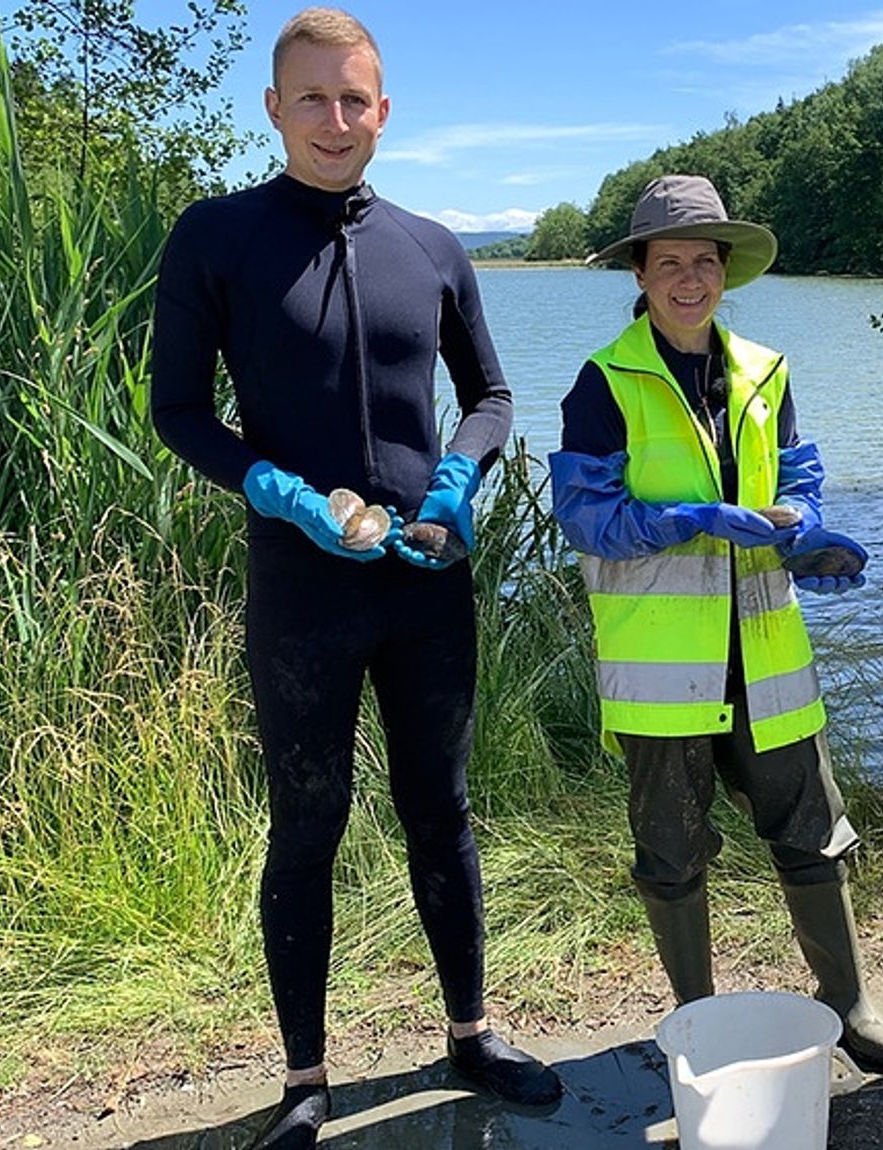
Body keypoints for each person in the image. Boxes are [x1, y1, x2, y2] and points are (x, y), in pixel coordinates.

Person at [149, 8, 561, 1145]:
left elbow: (489, 397)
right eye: (314, 99)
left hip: (426, 576)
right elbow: (177, 409)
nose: (337, 120)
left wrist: (454, 489)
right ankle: (305, 1078)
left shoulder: (429, 244)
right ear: (275, 109)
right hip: (303, 584)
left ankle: (471, 1033)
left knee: (444, 809)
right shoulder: (216, 236)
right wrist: (276, 489)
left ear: (384, 111)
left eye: (356, 99)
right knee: (308, 822)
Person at [548, 174, 883, 1073]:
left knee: (813, 829)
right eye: (669, 261)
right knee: (670, 849)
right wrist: (695, 519)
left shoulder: (765, 369)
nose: (689, 279)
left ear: (726, 272)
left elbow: (799, 472)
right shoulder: (604, 381)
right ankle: (696, 1023)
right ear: (640, 271)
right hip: (662, 669)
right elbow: (587, 519)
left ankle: (850, 1000)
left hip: (767, 653)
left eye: (704, 262)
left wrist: (806, 530)